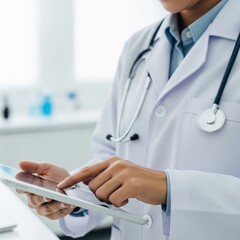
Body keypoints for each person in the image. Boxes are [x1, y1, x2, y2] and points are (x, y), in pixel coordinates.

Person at [19, 0, 240, 239]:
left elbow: (150, 179)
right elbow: (111, 152)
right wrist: (76, 191)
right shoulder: (138, 46)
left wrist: (169, 188)